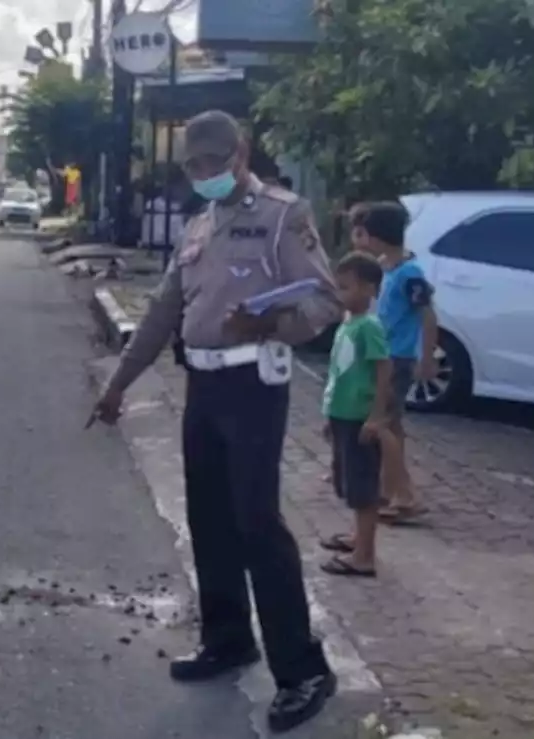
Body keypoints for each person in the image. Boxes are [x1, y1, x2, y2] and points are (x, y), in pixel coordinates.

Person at [89, 110, 342, 733]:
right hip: (202, 382)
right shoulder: (198, 225)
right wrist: (118, 385)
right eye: (194, 167)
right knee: (209, 517)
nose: (204, 174)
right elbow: (161, 312)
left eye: (212, 163)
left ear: (241, 152)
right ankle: (229, 638)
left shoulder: (284, 214)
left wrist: (269, 324)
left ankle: (304, 669)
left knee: (257, 522)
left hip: (254, 381)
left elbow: (325, 299)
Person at [352, 202, 437, 524]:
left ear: (378, 236)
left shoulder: (409, 274)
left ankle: (405, 496)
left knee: (383, 427)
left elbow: (428, 316)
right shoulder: (387, 267)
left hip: (397, 359)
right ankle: (392, 491)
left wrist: (426, 359)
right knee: (392, 427)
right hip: (383, 355)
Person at [318, 252, 392, 577]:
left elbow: (382, 369)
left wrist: (376, 416)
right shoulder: (348, 324)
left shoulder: (369, 327)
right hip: (342, 415)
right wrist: (329, 416)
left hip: (359, 418)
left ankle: (364, 555)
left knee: (363, 488)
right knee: (348, 481)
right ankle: (356, 538)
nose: (340, 294)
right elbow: (338, 372)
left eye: (346, 287)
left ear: (369, 289)